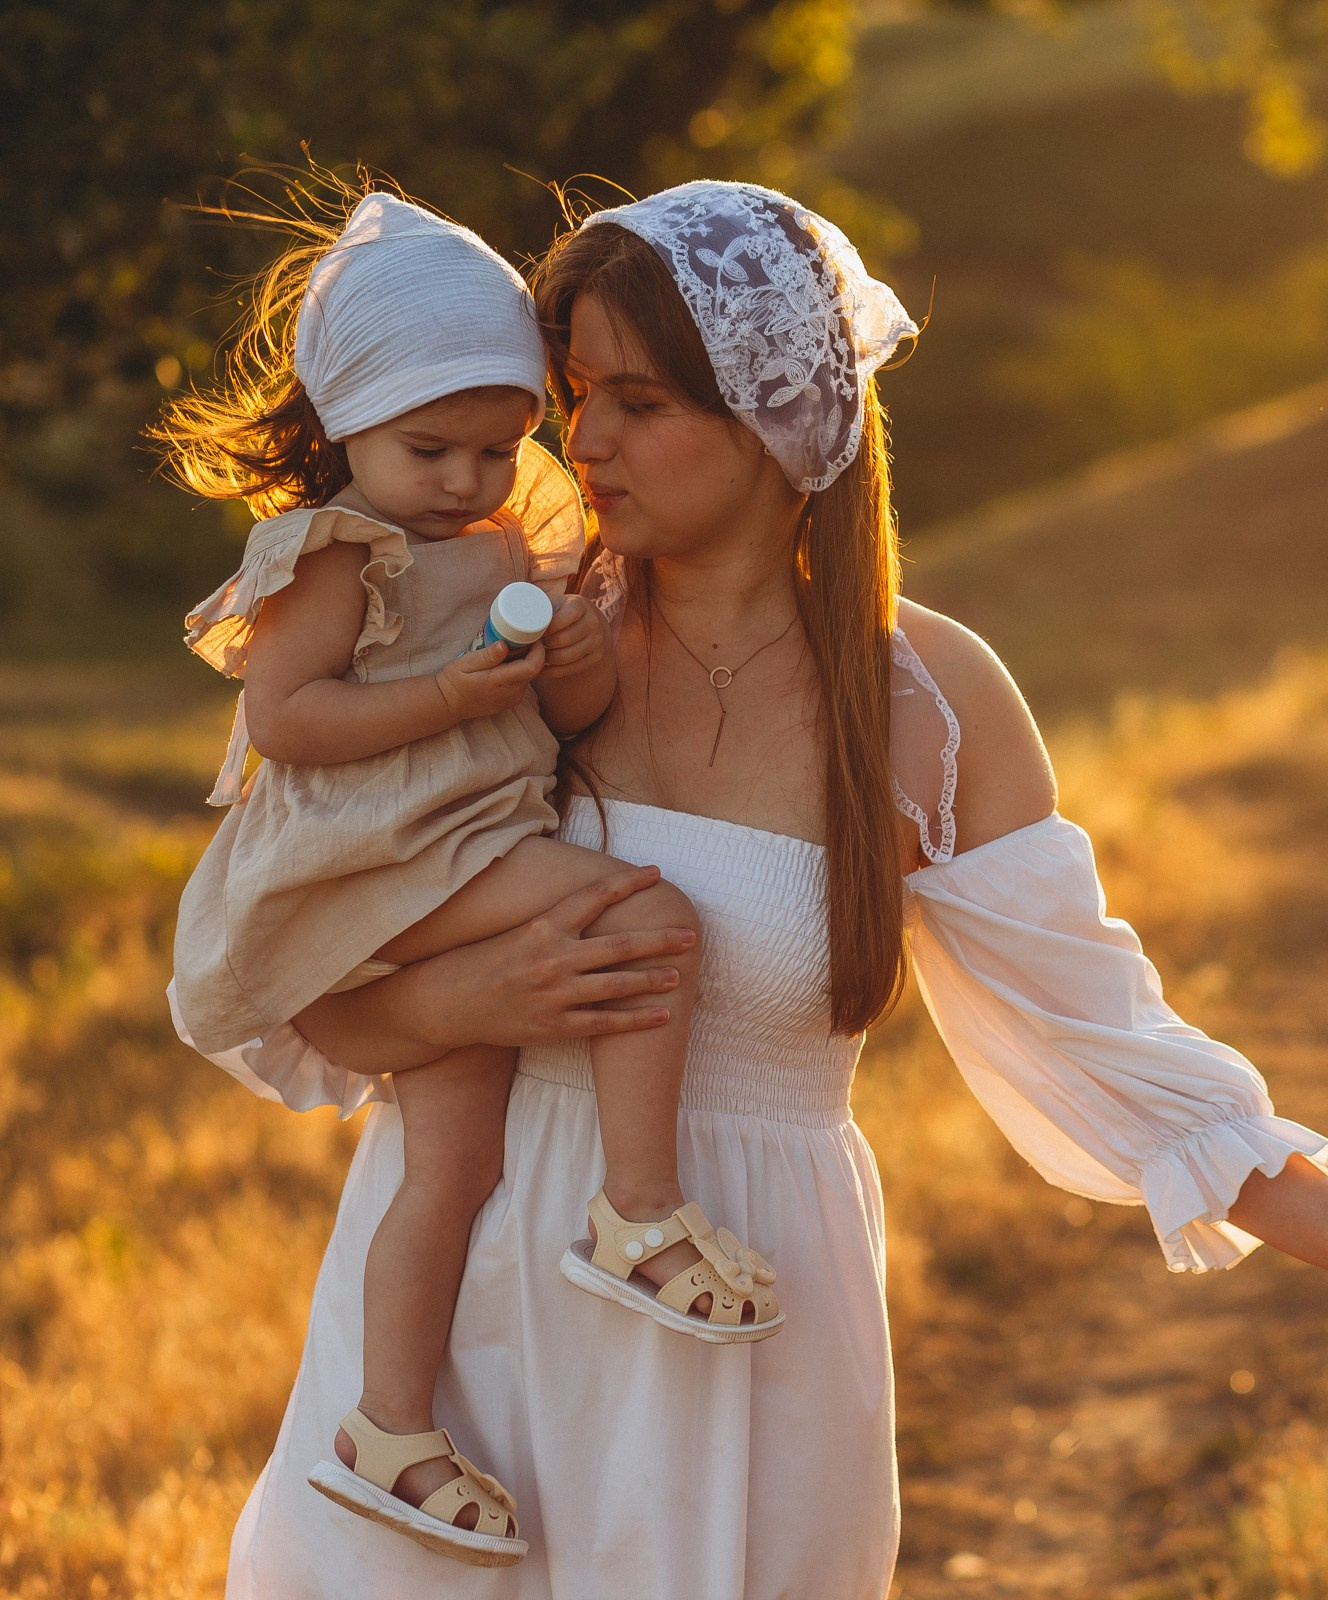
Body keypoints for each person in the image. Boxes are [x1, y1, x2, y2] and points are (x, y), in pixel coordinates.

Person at [186, 178, 1328, 1598]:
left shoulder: (929, 702)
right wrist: (468, 998)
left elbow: (1123, 1050)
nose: (583, 441)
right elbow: (289, 977)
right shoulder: (505, 633)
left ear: (779, 415)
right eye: (577, 394)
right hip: (457, 1339)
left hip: (741, 1357)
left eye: (642, 402)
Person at [161, 190, 791, 1569]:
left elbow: (554, 727)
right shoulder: (336, 552)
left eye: (498, 448)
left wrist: (559, 664)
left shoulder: (507, 544)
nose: (462, 479)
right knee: (641, 912)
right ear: (345, 427)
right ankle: (636, 1209)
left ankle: (389, 1424)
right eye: (426, 447)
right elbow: (289, 725)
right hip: (374, 856)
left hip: (452, 846)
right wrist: (449, 695)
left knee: (448, 1163)